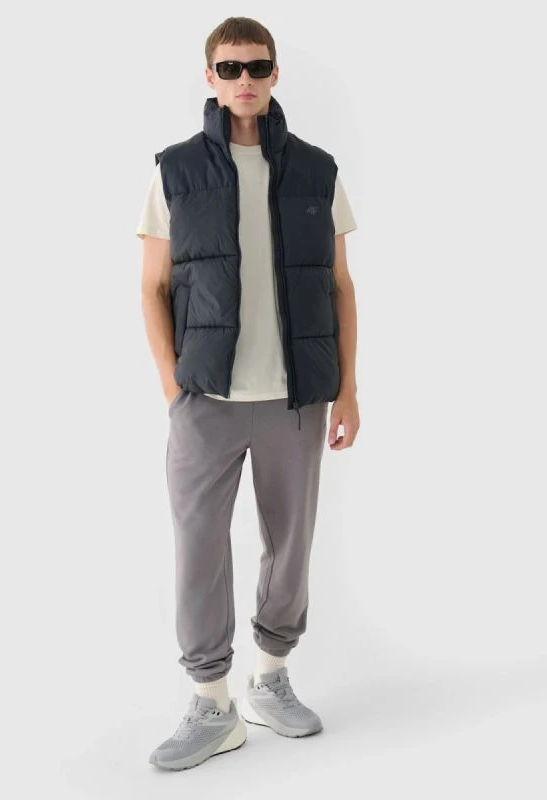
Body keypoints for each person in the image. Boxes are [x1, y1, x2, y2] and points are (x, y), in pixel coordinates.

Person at [137, 16, 360, 771]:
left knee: (290, 543)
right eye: (229, 67)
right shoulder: (174, 170)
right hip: (205, 398)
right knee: (198, 546)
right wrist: (173, 386)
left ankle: (270, 681)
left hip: (297, 398)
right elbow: (152, 286)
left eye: (257, 66)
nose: (244, 79)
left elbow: (339, 284)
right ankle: (212, 702)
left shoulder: (318, 170)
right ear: (210, 77)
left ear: (273, 74)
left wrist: (348, 390)